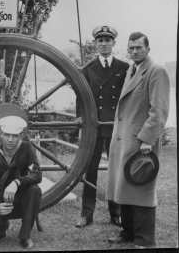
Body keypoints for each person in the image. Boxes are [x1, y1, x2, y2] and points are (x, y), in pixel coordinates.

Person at [107, 32, 170, 248]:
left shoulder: (156, 71)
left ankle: (145, 239)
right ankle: (128, 233)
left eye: (139, 48)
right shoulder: (132, 69)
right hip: (124, 140)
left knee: (141, 188)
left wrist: (147, 140)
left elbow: (159, 111)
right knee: (124, 187)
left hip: (140, 141)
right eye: (131, 48)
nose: (134, 51)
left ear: (148, 49)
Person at [76, 25, 129, 228]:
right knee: (90, 170)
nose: (104, 44)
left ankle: (116, 213)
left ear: (113, 43)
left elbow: (129, 98)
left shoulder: (125, 68)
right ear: (96, 44)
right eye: (100, 41)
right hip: (94, 128)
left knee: (116, 170)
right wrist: (81, 117)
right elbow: (80, 95)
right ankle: (86, 214)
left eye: (108, 40)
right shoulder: (87, 69)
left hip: (115, 127)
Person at [0, 115, 42, 249]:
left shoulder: (27, 149)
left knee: (34, 190)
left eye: (15, 136)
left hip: (21, 200)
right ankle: (0, 231)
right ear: (1, 134)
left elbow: (37, 175)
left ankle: (25, 236)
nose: (11, 140)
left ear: (21, 136)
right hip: (0, 201)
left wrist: (17, 182)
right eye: (7, 135)